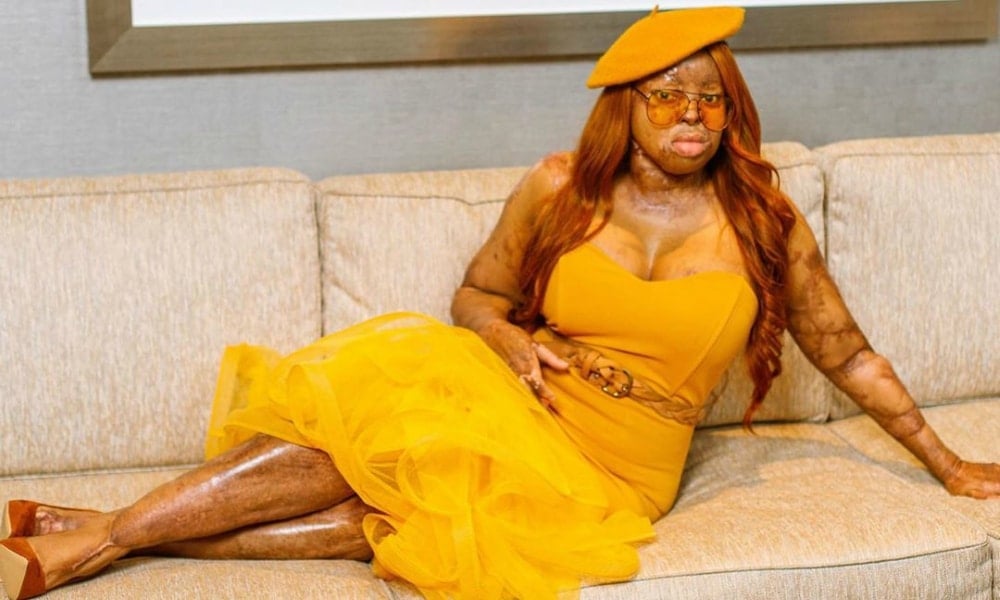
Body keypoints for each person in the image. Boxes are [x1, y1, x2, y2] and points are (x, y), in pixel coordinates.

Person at [1, 6, 998, 600]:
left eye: (710, 97)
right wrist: (508, 339)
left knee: (393, 518)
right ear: (625, 107)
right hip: (509, 396)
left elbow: (848, 354)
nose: (690, 114)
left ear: (730, 111)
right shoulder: (558, 188)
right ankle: (97, 547)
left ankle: (100, 526)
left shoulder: (766, 222)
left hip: (614, 464)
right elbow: (476, 295)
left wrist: (949, 465)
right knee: (368, 433)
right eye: (666, 94)